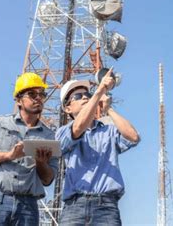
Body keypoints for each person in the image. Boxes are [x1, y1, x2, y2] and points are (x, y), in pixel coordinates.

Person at [0, 72, 58, 226]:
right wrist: (9, 155)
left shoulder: (50, 137)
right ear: (18, 100)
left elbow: (48, 179)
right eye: (32, 94)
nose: (38, 98)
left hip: (28, 207)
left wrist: (41, 163)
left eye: (42, 95)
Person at [57, 68, 140, 225]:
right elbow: (78, 128)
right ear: (67, 108)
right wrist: (99, 90)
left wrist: (108, 109)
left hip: (106, 207)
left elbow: (133, 137)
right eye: (77, 96)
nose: (84, 98)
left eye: (87, 94)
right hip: (75, 206)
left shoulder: (109, 130)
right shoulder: (62, 132)